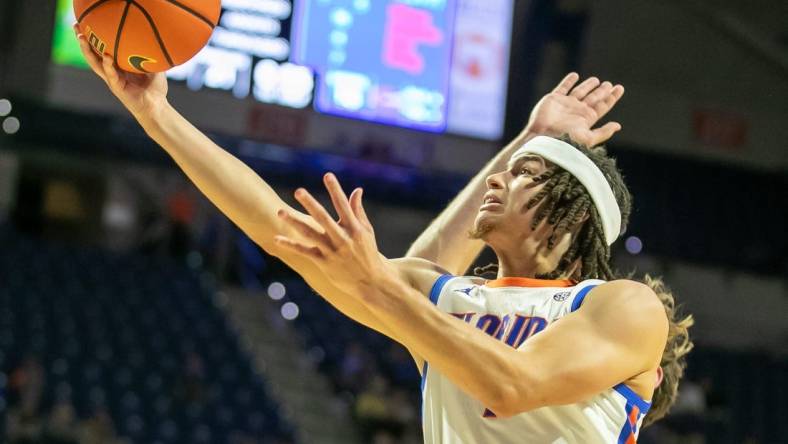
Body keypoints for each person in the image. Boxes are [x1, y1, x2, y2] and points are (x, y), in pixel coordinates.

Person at [74, 26, 692, 443]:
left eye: (526, 173)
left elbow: (513, 385)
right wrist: (156, 116)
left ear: (576, 213)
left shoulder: (620, 306)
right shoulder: (450, 301)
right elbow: (276, 228)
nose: (497, 181)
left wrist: (381, 284)